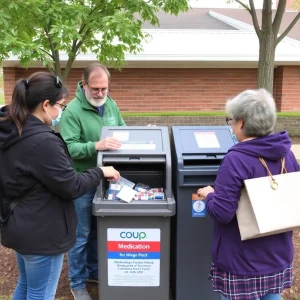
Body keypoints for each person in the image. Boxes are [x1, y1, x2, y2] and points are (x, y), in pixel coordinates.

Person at [0, 72, 120, 300]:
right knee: (41, 293)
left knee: (26, 285)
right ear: (46, 105)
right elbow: (71, 186)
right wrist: (100, 171)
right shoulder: (43, 141)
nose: (60, 112)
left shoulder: (12, 129)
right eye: (60, 106)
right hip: (42, 232)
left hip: (19, 223)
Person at [197, 88, 299, 300]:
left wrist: (209, 195)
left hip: (242, 261)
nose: (232, 128)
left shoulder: (236, 159)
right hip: (277, 255)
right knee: (272, 297)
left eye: (232, 121)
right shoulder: (287, 154)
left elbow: (223, 213)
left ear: (241, 123)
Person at [59, 63, 125, 299]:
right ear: (84, 84)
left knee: (99, 231)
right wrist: (96, 145)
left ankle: (93, 271)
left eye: (104, 89)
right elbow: (69, 148)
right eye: (95, 89)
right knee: (81, 235)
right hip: (82, 182)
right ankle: (76, 282)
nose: (100, 94)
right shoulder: (73, 111)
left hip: (106, 180)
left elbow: (122, 130)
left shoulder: (110, 104)